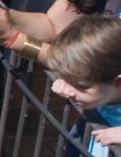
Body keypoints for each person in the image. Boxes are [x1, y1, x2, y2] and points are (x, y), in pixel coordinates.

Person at [45, 17, 121, 151]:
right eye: (65, 78)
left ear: (118, 81)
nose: (68, 91)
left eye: (81, 86)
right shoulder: (104, 92)